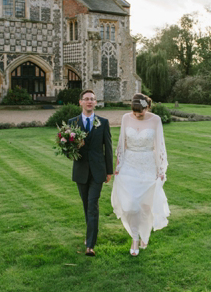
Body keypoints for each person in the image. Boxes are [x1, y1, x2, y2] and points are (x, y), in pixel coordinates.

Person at [111, 93, 170, 256]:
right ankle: (135, 237)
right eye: (135, 112)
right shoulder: (125, 118)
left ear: (147, 107)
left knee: (145, 205)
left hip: (148, 165)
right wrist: (118, 165)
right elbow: (122, 143)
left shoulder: (156, 120)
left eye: (141, 112)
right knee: (131, 206)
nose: (137, 115)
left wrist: (160, 170)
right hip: (129, 164)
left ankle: (144, 235)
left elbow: (159, 145)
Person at [68, 89, 113, 257]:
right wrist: (74, 148)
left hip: (97, 171)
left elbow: (107, 147)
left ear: (95, 103)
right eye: (86, 99)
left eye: (92, 99)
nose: (89, 101)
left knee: (93, 205)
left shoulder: (103, 122)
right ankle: (90, 233)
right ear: (80, 102)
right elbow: (67, 151)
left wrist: (109, 170)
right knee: (86, 205)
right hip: (80, 171)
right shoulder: (72, 123)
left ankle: (90, 245)